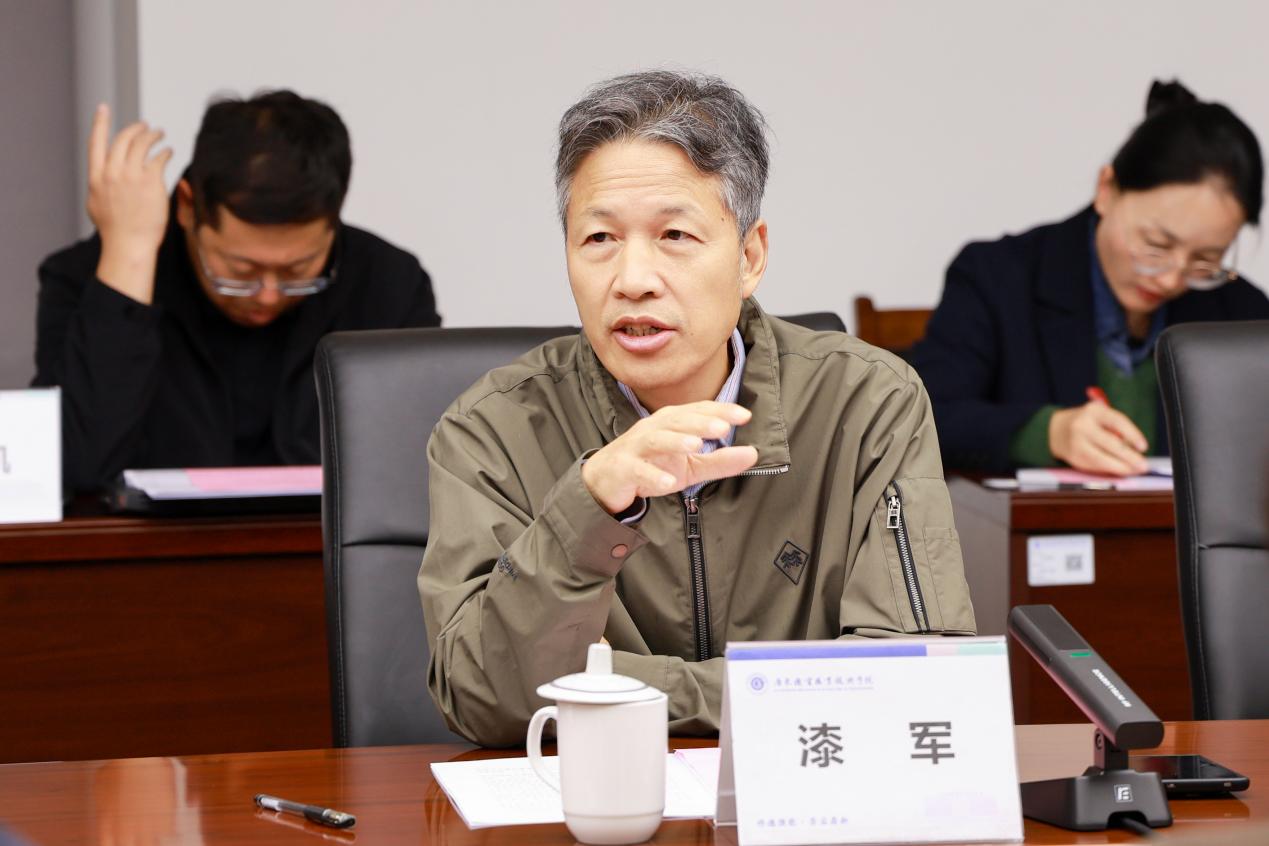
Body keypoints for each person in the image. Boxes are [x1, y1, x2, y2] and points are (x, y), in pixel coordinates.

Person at [419, 70, 975, 748]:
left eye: (675, 235)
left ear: (749, 256)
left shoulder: (866, 402)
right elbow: (482, 696)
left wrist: (611, 685)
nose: (632, 281)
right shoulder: (491, 429)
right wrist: (590, 504)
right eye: (598, 239)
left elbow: (914, 677)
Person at [34, 91, 441, 493]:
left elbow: (427, 467)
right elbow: (72, 473)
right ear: (187, 207)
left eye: (298, 270)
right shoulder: (88, 279)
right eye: (240, 271)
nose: (268, 295)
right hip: (149, 540)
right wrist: (129, 257)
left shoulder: (389, 282)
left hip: (322, 538)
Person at [912, 80, 1269, 475]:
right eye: (1156, 245)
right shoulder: (998, 278)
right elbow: (921, 417)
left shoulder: (1242, 313)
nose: (1172, 279)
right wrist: (1048, 432)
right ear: (1106, 190)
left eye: (1206, 259)